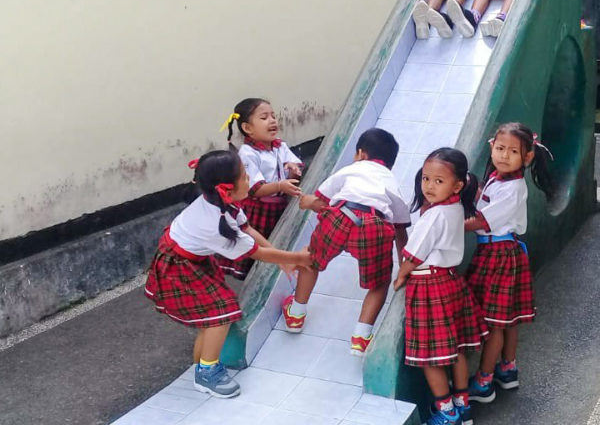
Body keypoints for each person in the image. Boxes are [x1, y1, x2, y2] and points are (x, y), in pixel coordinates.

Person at [144, 150, 311, 398]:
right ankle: (206, 373)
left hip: (189, 261)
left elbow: (247, 229)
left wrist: (281, 259)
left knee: (212, 316)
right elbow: (255, 252)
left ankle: (203, 363)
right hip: (177, 268)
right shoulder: (214, 221)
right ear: (226, 189)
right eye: (245, 176)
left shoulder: (223, 203)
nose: (249, 180)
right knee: (221, 312)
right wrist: (296, 258)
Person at [282, 128, 411, 356]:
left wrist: (309, 202)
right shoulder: (390, 180)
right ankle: (361, 337)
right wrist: (404, 267)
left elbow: (322, 200)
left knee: (310, 260)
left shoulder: (352, 169)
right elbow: (400, 229)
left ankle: (296, 314)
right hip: (375, 226)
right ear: (389, 164)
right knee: (379, 284)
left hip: (341, 217)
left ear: (360, 154)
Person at [395, 148, 488, 425]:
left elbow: (414, 253)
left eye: (438, 181)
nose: (429, 186)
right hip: (449, 281)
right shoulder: (456, 206)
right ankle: (463, 405)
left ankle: (447, 413)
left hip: (428, 287)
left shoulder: (434, 216)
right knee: (456, 348)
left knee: (430, 357)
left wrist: (401, 275)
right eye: (426, 179)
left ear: (457, 185)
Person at [464, 123, 553, 403]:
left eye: (512, 151)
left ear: (526, 158)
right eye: (500, 148)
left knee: (494, 325)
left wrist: (445, 224)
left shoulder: (512, 187)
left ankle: (484, 381)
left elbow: (481, 221)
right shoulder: (498, 178)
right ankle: (507, 369)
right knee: (508, 320)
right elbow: (485, 202)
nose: (504, 155)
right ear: (492, 147)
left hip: (498, 257)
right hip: (503, 253)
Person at [216, 98, 303, 279]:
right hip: (260, 209)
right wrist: (280, 185)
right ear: (248, 128)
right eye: (264, 118)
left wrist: (294, 170)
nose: (272, 121)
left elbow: (295, 167)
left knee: (277, 240)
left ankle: (279, 268)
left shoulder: (280, 145)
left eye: (273, 116)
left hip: (280, 204)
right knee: (259, 246)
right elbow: (255, 189)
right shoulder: (248, 154)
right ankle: (259, 276)